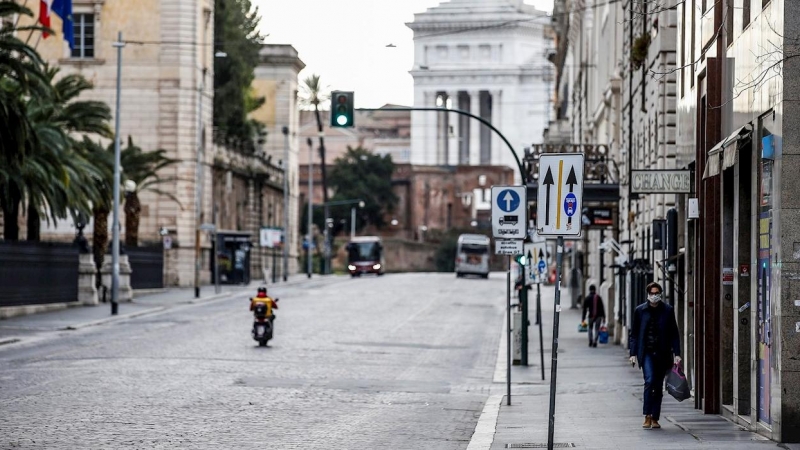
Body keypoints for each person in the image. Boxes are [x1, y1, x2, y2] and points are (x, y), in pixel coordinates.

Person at [629, 282, 681, 430]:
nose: (654, 296)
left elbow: (674, 334)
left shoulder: (668, 310)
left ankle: (655, 417)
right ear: (647, 294)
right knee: (650, 380)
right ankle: (647, 415)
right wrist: (632, 353)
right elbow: (634, 334)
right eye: (652, 293)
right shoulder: (640, 311)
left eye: (657, 293)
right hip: (646, 353)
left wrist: (677, 354)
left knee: (658, 386)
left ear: (661, 293)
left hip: (663, 353)